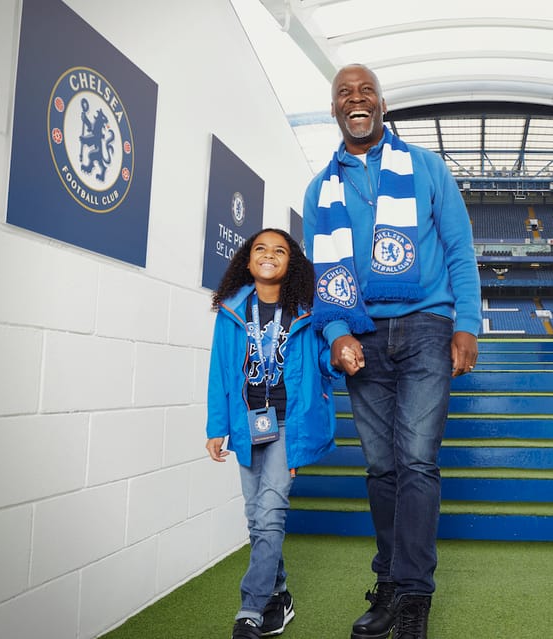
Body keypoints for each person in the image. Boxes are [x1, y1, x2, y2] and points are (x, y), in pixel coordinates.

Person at [302, 64, 482, 639]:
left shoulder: (427, 167)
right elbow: (320, 275)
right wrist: (336, 336)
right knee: (381, 468)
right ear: (335, 110)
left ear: (382, 103)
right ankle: (389, 580)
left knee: (417, 462)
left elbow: (458, 249)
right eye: (344, 94)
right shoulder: (319, 189)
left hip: (427, 326)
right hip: (361, 338)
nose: (356, 99)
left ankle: (412, 596)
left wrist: (468, 324)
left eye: (365, 91)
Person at [205, 228, 340, 639]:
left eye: (279, 250)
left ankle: (251, 609)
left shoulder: (306, 310)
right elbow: (219, 373)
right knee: (255, 517)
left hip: (289, 425)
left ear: (291, 263)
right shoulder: (231, 311)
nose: (268, 255)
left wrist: (341, 357)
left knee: (270, 513)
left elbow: (324, 363)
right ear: (247, 261)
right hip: (247, 425)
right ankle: (280, 594)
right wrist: (216, 427)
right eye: (260, 249)